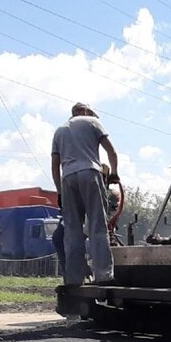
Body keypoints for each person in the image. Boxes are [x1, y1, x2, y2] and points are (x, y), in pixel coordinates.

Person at [52, 102, 118, 316]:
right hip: (90, 172)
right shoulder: (93, 122)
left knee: (72, 231)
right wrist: (114, 172)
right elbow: (111, 150)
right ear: (87, 112)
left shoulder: (60, 130)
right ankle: (103, 275)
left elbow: (55, 164)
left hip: (68, 177)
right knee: (98, 226)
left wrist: (60, 191)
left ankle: (74, 277)